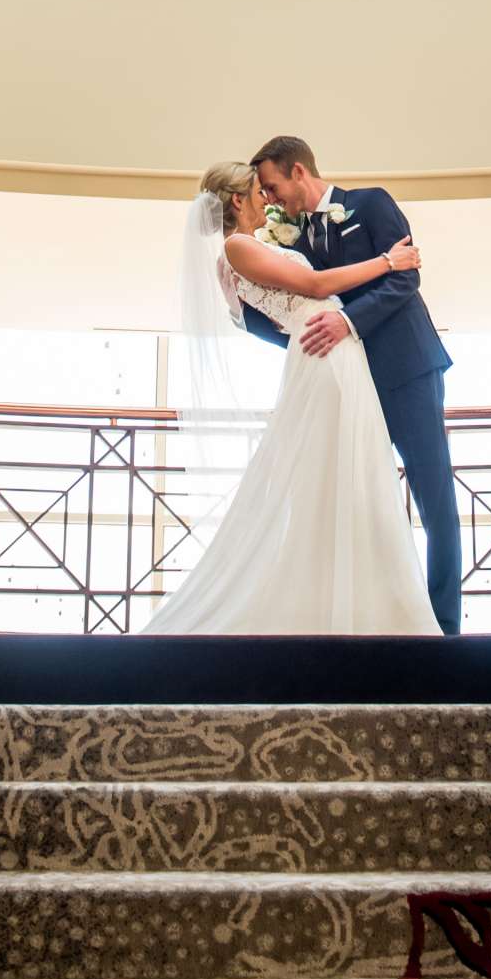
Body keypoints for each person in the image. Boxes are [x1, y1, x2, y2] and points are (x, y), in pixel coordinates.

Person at [143, 161, 440, 636]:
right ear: (237, 201)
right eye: (260, 192)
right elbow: (316, 286)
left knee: (348, 478)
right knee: (347, 475)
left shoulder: (250, 248)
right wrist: (389, 262)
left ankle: (355, 608)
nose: (269, 200)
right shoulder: (237, 248)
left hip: (334, 351)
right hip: (328, 358)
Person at [248, 134, 462, 636]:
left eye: (273, 186)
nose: (272, 199)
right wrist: (248, 312)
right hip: (349, 386)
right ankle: (372, 619)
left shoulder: (370, 204)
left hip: (407, 372)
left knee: (435, 501)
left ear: (299, 171)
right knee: (351, 500)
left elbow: (405, 279)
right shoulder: (294, 241)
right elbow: (301, 312)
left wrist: (349, 322)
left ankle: (445, 628)